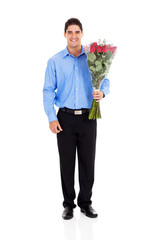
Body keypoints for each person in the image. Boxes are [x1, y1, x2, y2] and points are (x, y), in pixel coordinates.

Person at [43, 18, 110, 220]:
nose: (74, 35)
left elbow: (104, 80)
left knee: (88, 162)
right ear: (65, 34)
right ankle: (68, 205)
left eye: (77, 32)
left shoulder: (94, 57)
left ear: (82, 33)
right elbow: (47, 90)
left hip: (89, 116)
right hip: (64, 118)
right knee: (67, 163)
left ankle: (86, 203)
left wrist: (102, 93)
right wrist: (51, 117)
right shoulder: (54, 61)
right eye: (70, 32)